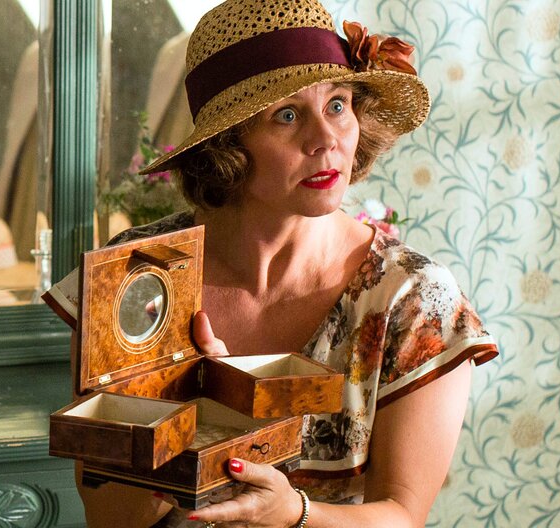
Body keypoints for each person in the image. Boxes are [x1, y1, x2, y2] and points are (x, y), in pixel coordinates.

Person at [47, 1, 499, 526]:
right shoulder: (135, 276)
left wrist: (292, 512)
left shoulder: (415, 301)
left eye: (337, 104)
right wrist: (187, 412)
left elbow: (402, 516)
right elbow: (109, 518)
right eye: (287, 114)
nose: (326, 138)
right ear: (227, 145)